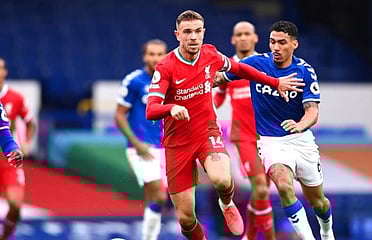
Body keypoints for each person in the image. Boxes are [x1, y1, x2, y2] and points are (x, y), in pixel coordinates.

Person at [146, 10, 304, 240]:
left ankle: (227, 203)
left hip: (206, 132)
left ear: (203, 33)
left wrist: (275, 81)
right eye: (187, 32)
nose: (193, 37)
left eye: (197, 31)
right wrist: (171, 108)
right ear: (177, 35)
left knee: (221, 179)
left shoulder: (210, 54)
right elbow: (151, 109)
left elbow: (239, 69)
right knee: (186, 219)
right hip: (176, 143)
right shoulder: (166, 67)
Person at [216, 20, 335, 240]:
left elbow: (312, 111)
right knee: (282, 185)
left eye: (282, 43)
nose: (276, 48)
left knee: (319, 202)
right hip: (270, 141)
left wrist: (300, 125)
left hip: (301, 140)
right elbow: (220, 78)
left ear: (294, 44)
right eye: (272, 42)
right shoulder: (256, 63)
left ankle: (327, 232)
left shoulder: (304, 71)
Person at [213, 21, 275, 240]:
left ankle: (248, 236)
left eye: (247, 33)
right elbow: (218, 98)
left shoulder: (266, 64)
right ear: (233, 39)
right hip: (243, 136)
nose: (243, 38)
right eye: (238, 34)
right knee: (261, 188)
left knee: (261, 193)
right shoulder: (226, 67)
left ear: (255, 38)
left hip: (268, 137)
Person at [115, 39, 169, 240]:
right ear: (144, 56)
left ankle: (148, 237)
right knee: (159, 195)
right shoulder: (135, 81)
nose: (156, 58)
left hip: (167, 148)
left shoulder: (171, 80)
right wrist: (136, 143)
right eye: (152, 54)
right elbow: (119, 115)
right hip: (143, 147)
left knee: (152, 197)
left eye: (160, 54)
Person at [0, 58, 33, 240]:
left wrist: (17, 147)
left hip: (7, 161)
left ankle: (6, 236)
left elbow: (5, 133)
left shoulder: (12, 100)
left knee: (16, 203)